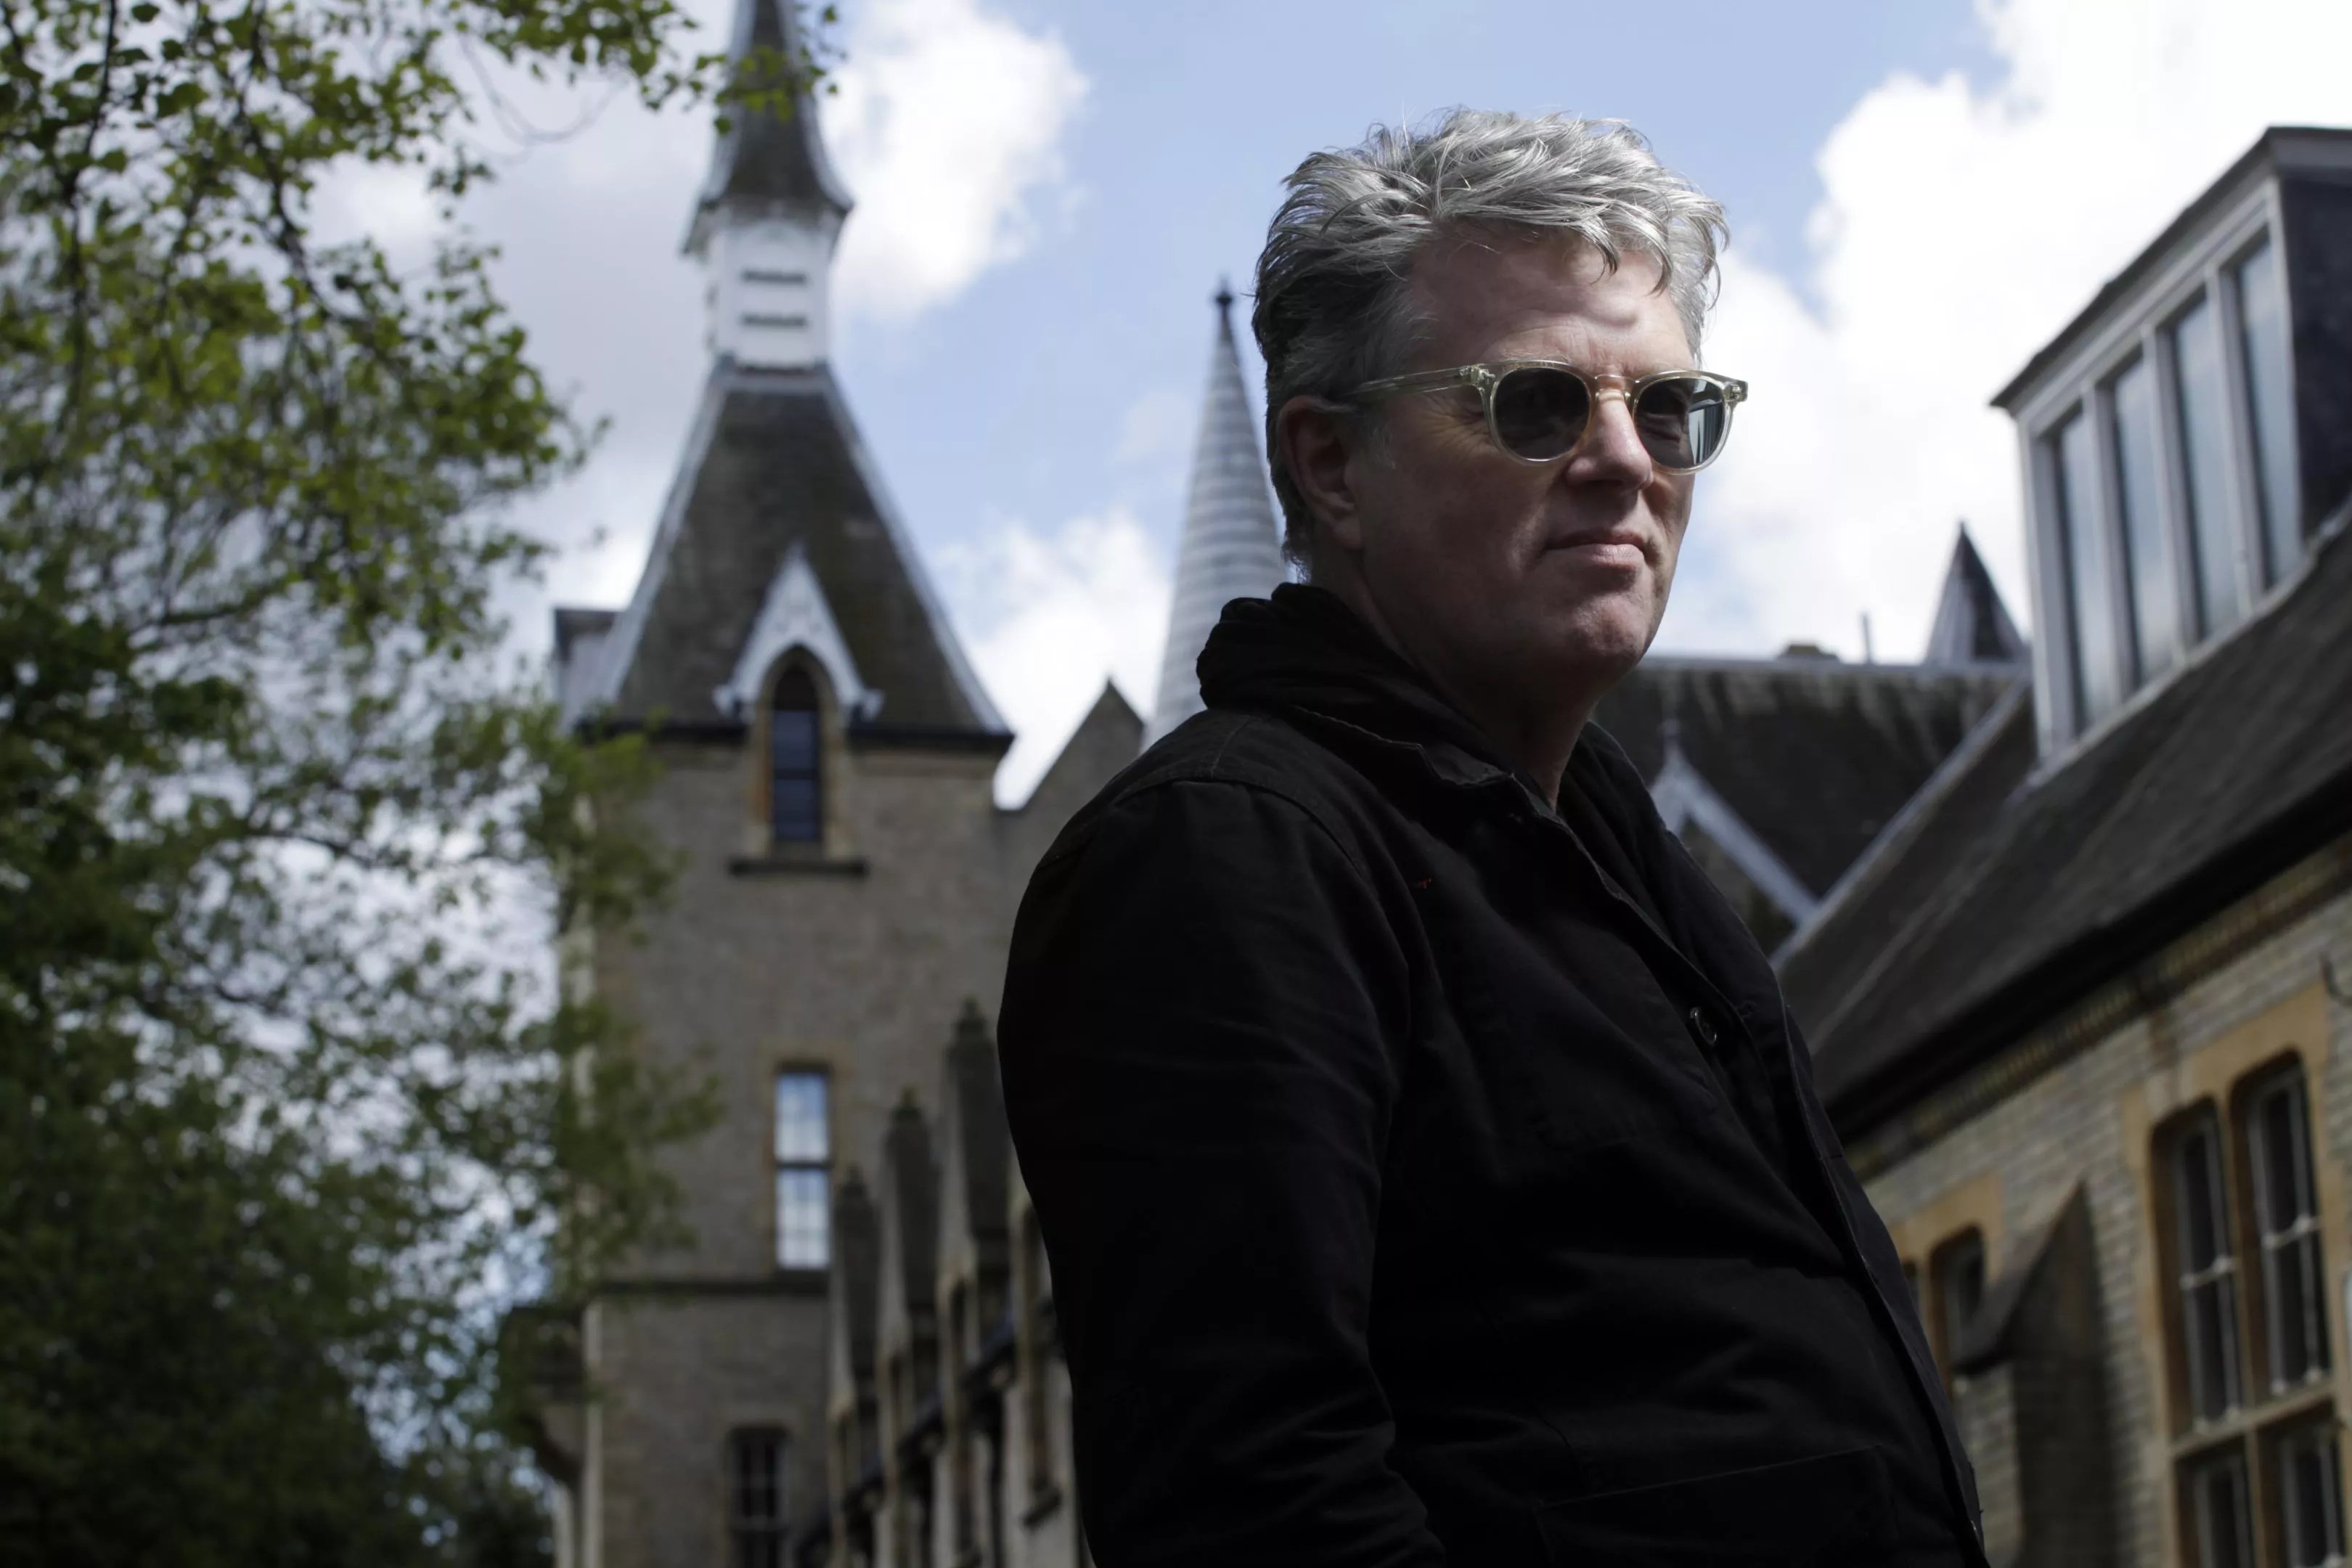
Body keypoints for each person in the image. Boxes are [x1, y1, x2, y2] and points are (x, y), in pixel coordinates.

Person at [996, 110, 1986, 1567]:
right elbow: (1258, 1506)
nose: (1622, 462)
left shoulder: (1614, 850)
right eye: (1534, 405)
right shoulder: (1230, 859)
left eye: (1670, 411)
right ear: (1330, 465)